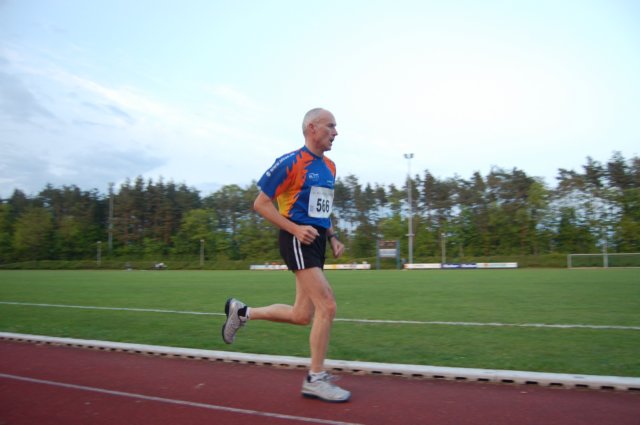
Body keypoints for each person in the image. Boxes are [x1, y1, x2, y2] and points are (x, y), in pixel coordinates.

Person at [221, 107, 350, 403]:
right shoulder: (290, 162)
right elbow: (261, 203)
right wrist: (295, 229)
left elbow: (322, 208)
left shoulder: (330, 167)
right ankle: (315, 379)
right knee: (327, 305)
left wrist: (332, 237)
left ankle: (242, 312)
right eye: (330, 126)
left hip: (316, 241)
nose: (336, 132)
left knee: (301, 315)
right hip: (296, 239)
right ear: (312, 128)